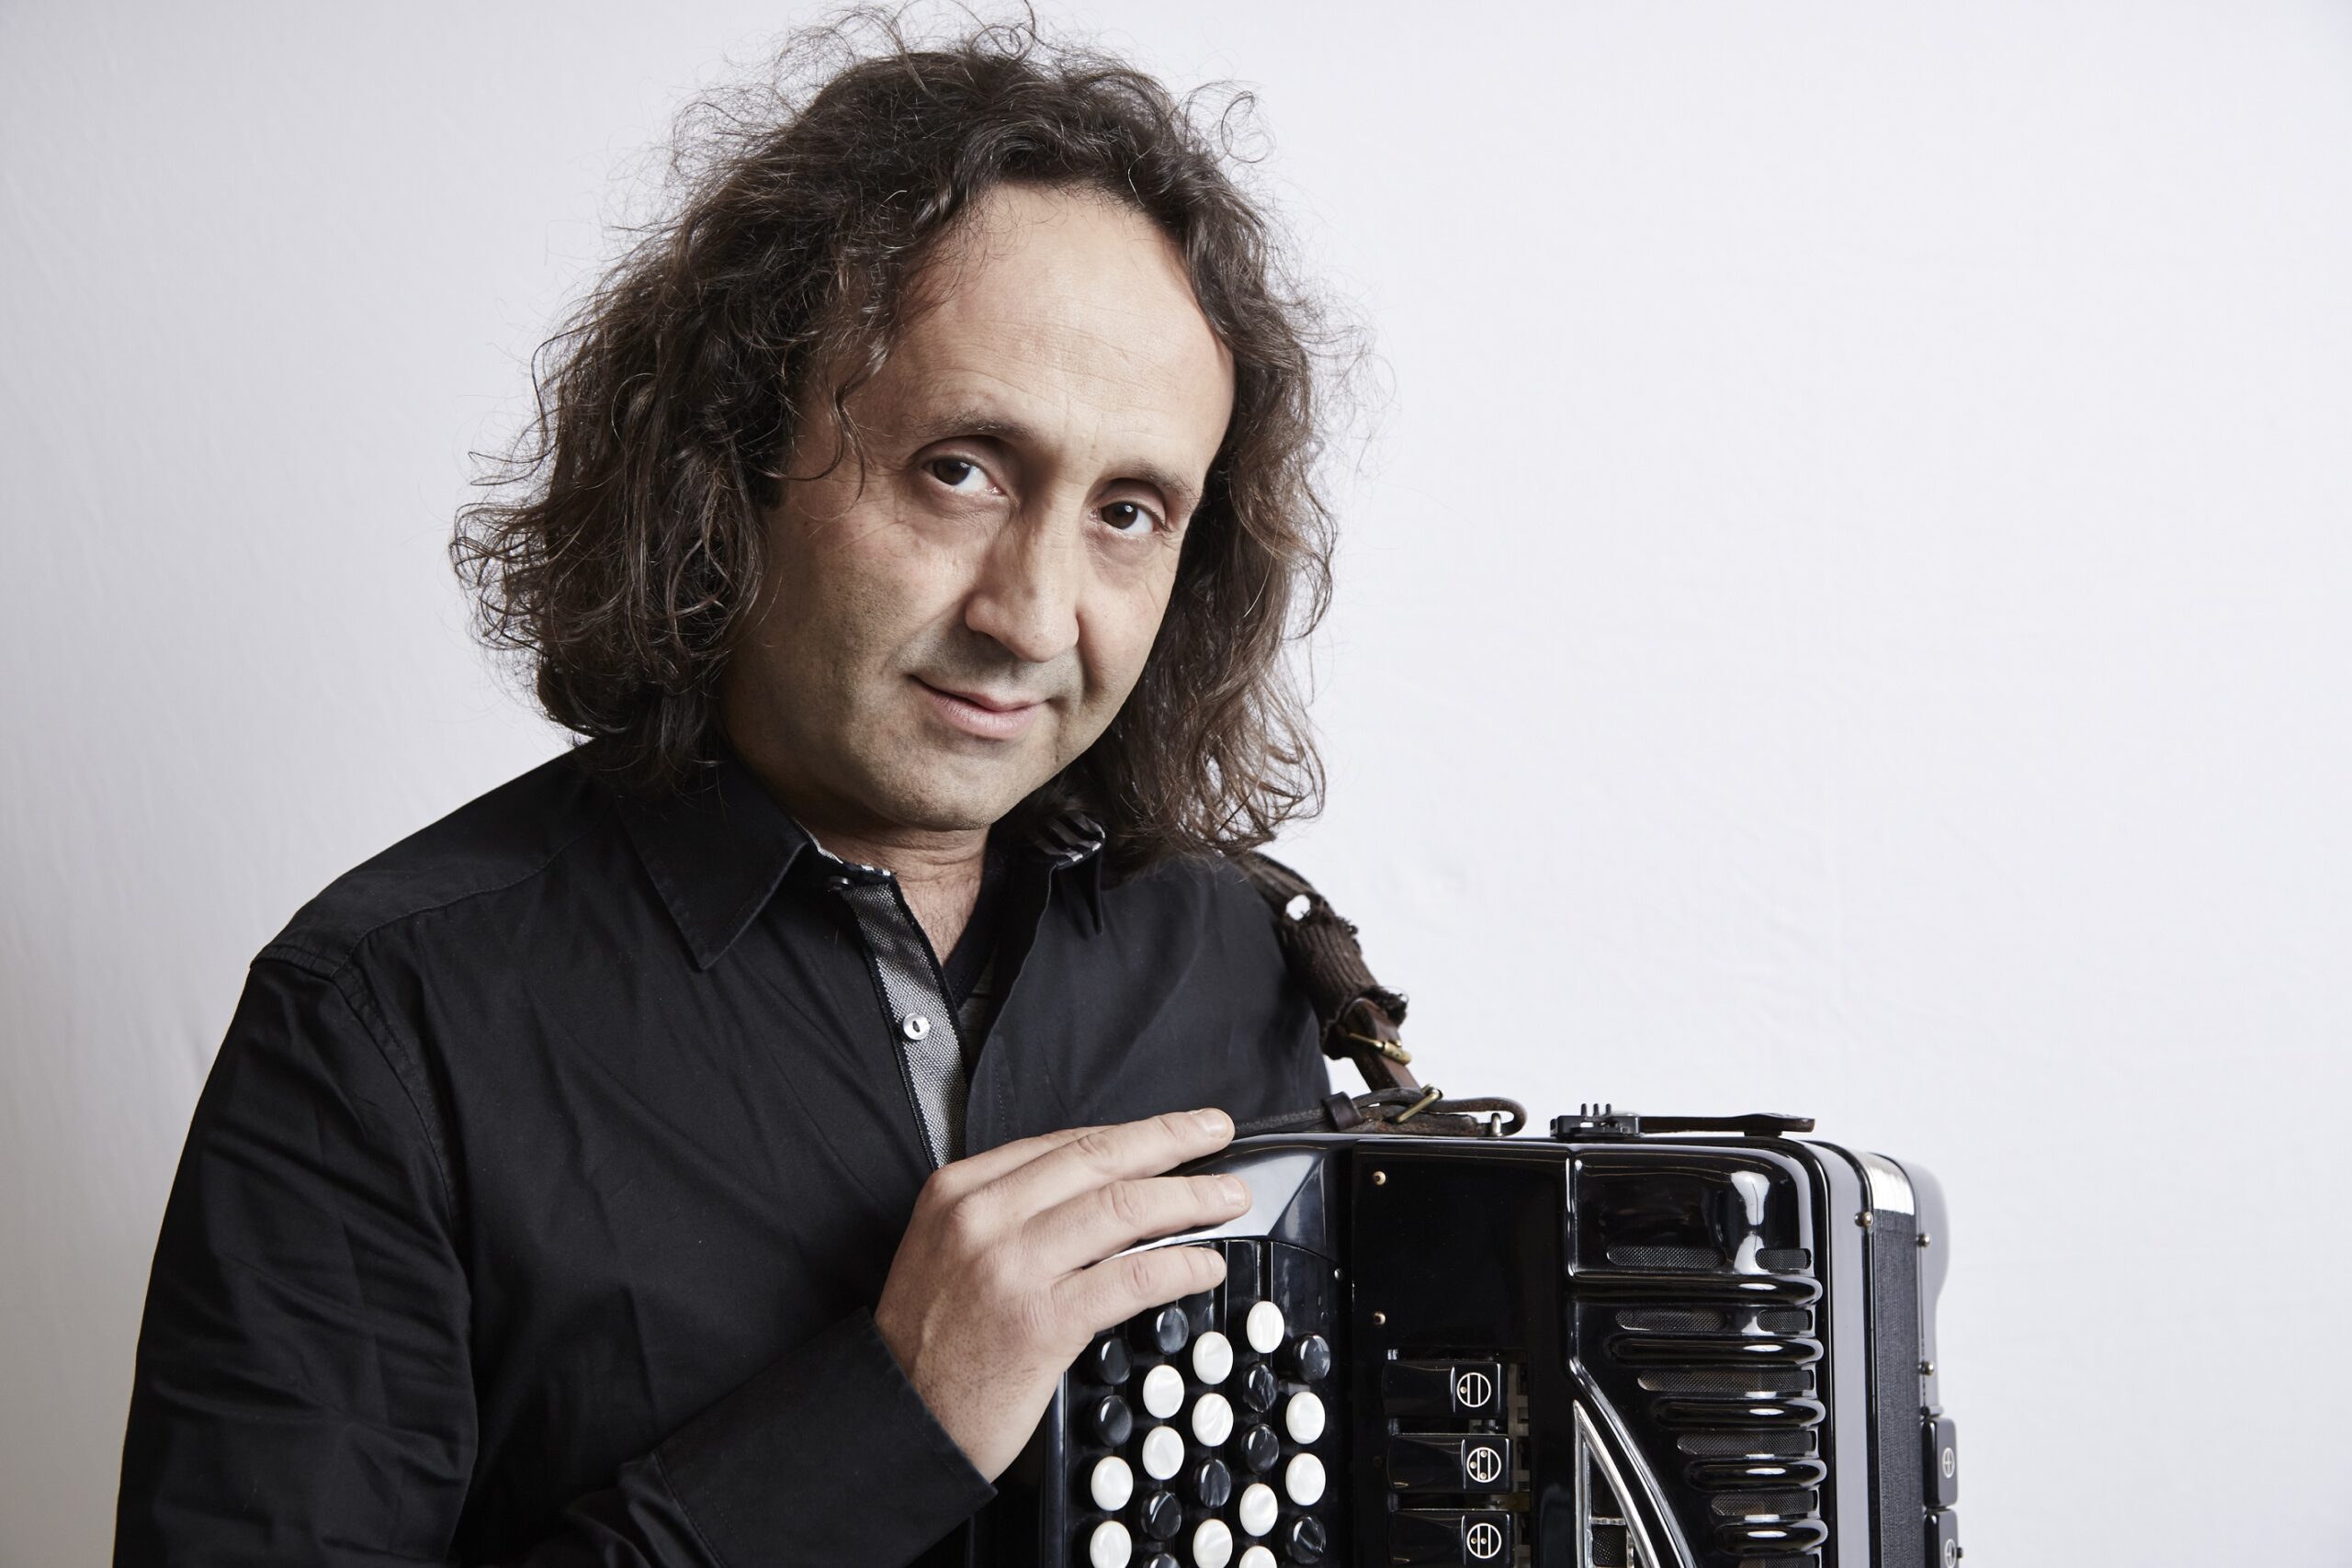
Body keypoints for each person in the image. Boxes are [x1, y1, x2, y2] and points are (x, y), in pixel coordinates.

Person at [113, 12, 1359, 1567]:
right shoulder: (381, 1023)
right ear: (732, 456)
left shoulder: (1231, 962)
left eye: (1128, 511)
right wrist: (889, 1420)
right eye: (960, 468)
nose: (1035, 618)